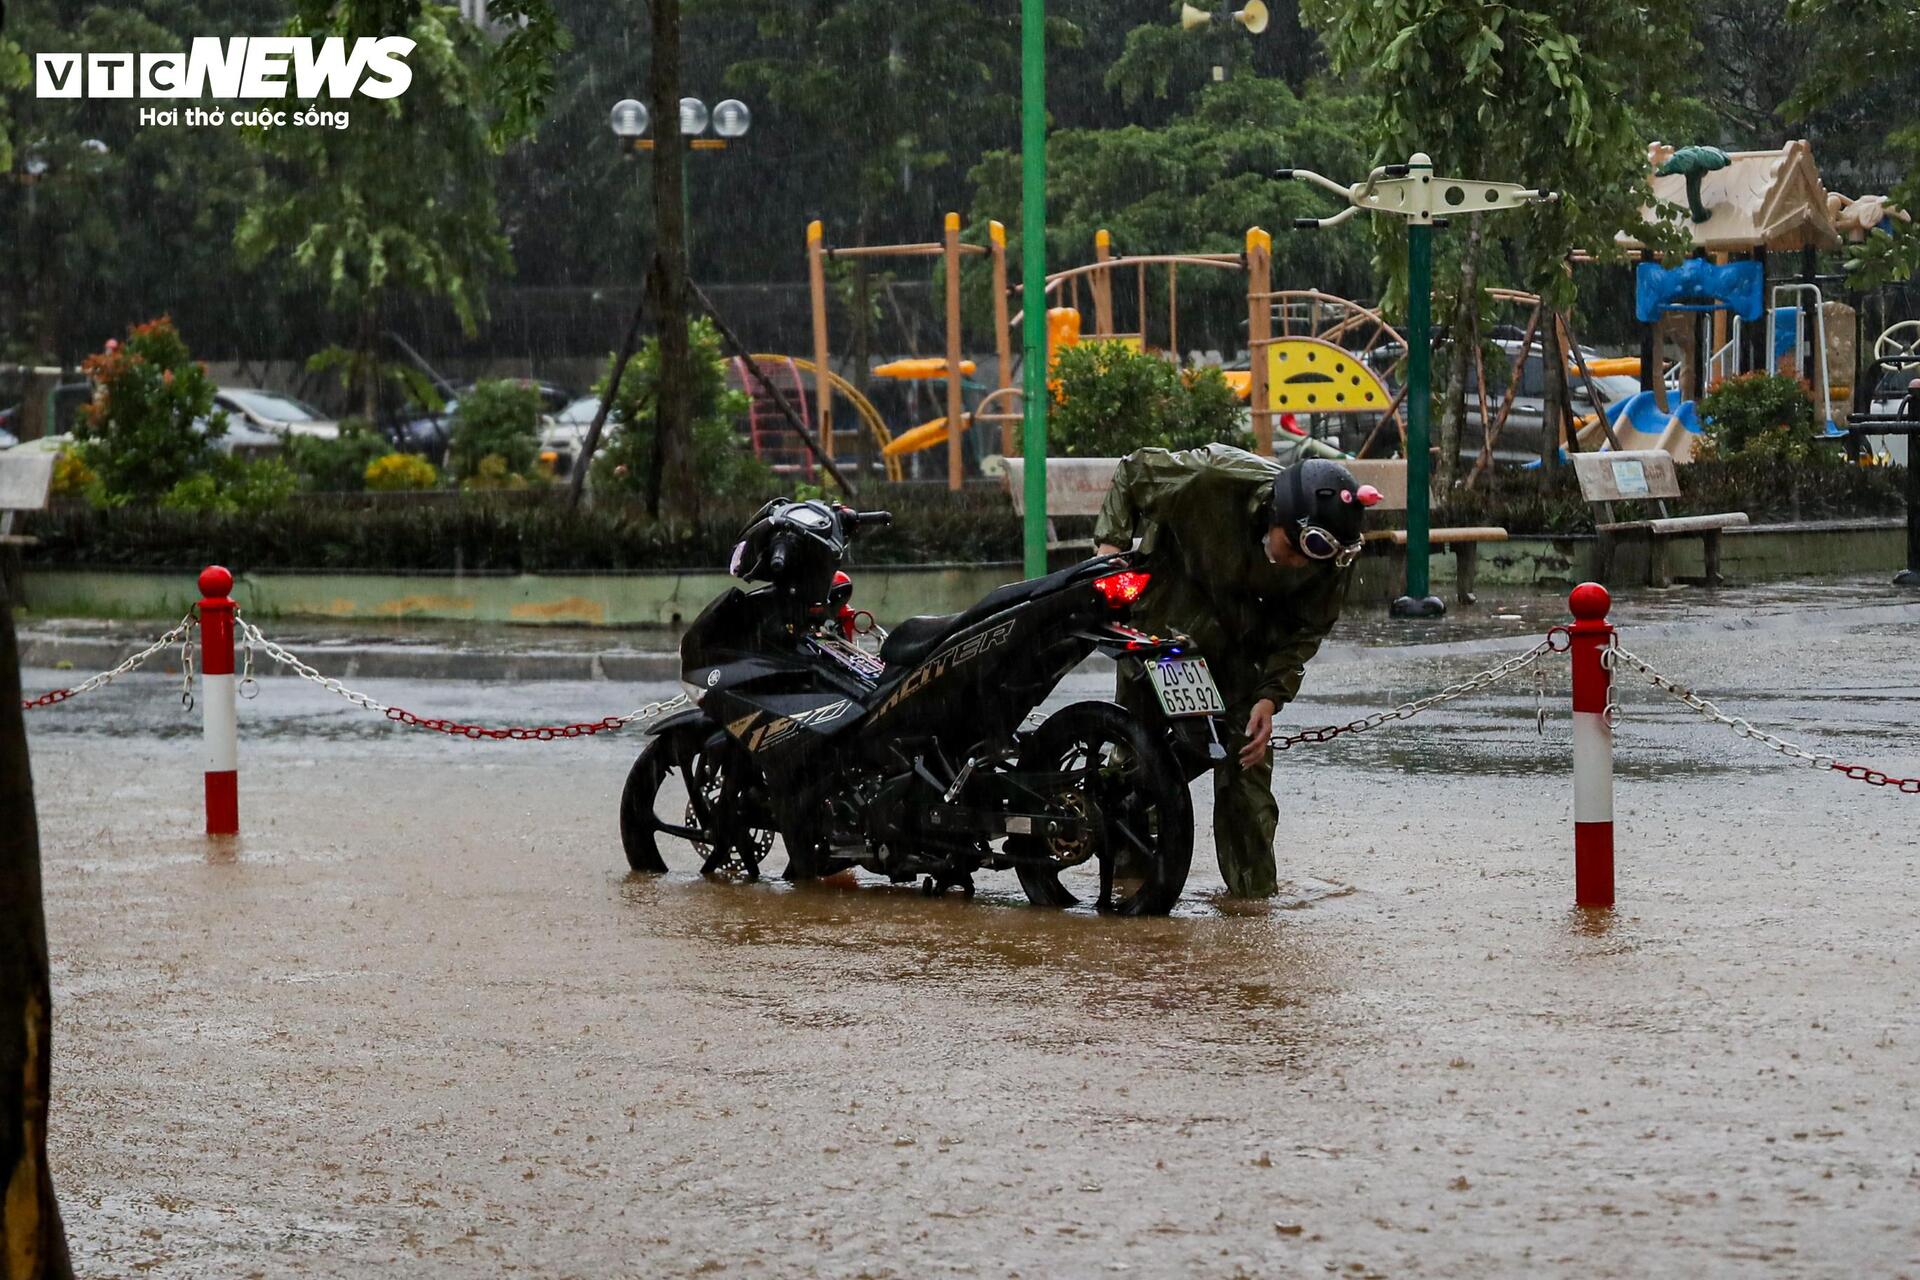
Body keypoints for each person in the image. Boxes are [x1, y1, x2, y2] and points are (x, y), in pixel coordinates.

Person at [1093, 444, 1378, 898]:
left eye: (1317, 558)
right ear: (1278, 516)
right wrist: (1109, 554)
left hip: (1241, 646)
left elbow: (1307, 630)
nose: (1301, 564)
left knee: (1246, 764)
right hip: (1164, 627)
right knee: (1137, 759)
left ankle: (1252, 903)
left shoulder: (1331, 554)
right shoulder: (1214, 478)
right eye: (1297, 549)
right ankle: (1128, 888)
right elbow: (1133, 470)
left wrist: (1269, 697)